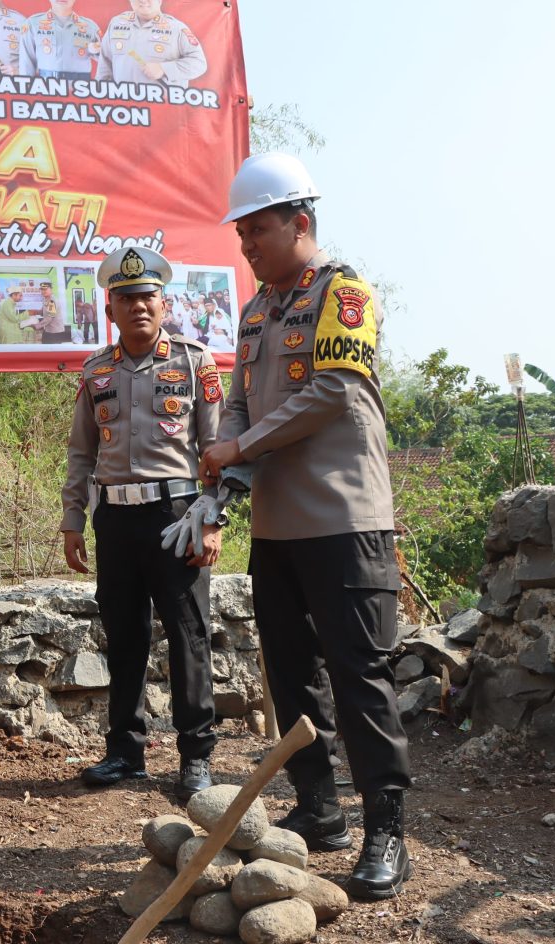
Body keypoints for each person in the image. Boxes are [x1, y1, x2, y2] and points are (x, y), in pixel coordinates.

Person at [200, 152, 411, 901]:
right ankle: (320, 808)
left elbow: (331, 392)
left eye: (258, 230)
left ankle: (386, 825)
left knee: (361, 674)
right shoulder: (257, 311)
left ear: (302, 222)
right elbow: (237, 401)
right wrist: (225, 461)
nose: (247, 245)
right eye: (242, 233)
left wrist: (239, 447)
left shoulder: (343, 295)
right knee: (289, 674)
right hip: (279, 527)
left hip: (345, 518)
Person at [60, 245, 222, 799]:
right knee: (124, 636)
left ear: (164, 302)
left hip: (176, 516)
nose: (138, 306)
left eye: (147, 296)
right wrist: (72, 519)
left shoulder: (194, 363)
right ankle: (125, 752)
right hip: (116, 521)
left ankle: (195, 755)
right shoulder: (96, 371)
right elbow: (81, 453)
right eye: (126, 298)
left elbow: (217, 449)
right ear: (110, 308)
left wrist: (213, 516)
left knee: (187, 635)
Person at [95, 0, 204, 84]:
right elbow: (104, 63)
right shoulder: (116, 23)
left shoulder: (176, 28)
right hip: (122, 106)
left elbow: (199, 64)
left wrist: (164, 69)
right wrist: (100, 93)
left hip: (162, 107)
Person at [17, 0, 99, 79]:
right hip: (46, 87)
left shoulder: (90, 27)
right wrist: (26, 86)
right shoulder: (32, 24)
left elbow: (105, 60)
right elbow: (26, 64)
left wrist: (98, 50)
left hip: (81, 87)